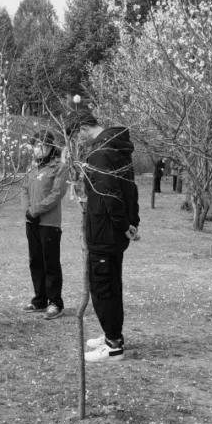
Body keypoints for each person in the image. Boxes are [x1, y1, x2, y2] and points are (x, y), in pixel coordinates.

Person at [65, 109, 140, 363]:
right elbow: (130, 189)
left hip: (104, 233)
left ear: (83, 128)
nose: (77, 142)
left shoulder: (100, 154)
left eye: (76, 136)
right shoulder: (118, 149)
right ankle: (112, 334)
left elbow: (110, 196)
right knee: (112, 284)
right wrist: (131, 222)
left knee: (103, 287)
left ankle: (113, 346)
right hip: (112, 231)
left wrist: (122, 224)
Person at [22, 130, 68, 320]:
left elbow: (57, 194)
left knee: (50, 263)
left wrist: (36, 210)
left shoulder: (59, 167)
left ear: (50, 147)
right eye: (35, 145)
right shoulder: (31, 167)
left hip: (48, 222)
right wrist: (28, 211)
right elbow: (24, 188)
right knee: (35, 261)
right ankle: (39, 299)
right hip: (30, 221)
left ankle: (55, 302)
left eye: (41, 145)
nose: (37, 149)